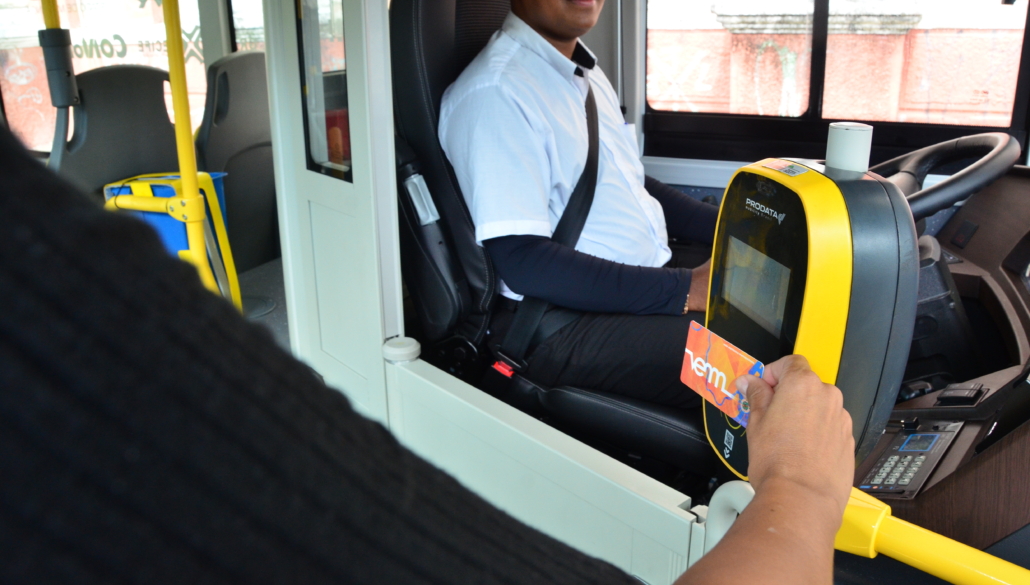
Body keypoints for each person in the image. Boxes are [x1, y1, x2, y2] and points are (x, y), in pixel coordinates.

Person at [0, 118, 854, 583]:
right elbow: (523, 258)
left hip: (649, 278)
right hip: (553, 325)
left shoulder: (584, 79)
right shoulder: (58, 321)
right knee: (756, 376)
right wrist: (802, 491)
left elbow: (635, 189)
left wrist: (726, 241)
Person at [439, 0, 719, 408]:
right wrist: (683, 291)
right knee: (753, 360)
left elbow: (630, 182)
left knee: (783, 305)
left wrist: (728, 228)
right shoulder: (496, 93)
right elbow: (523, 261)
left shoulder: (581, 72)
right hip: (563, 323)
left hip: (638, 280)